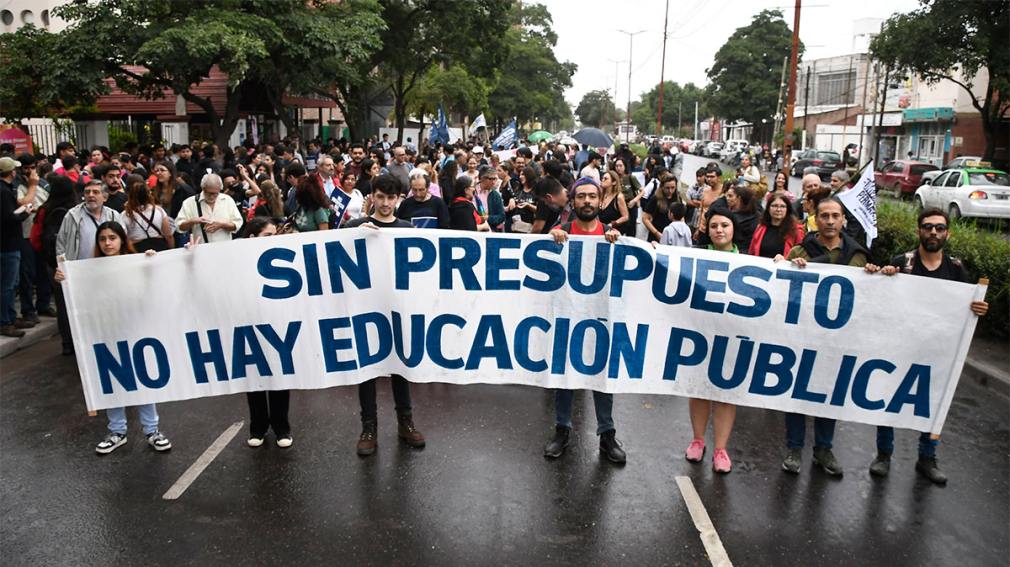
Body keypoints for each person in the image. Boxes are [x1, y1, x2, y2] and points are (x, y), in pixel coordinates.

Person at [862, 208, 989, 485]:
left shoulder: (956, 269)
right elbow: (882, 299)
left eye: (939, 228)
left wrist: (978, 308)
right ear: (919, 230)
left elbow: (965, 306)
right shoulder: (902, 262)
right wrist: (882, 276)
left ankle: (927, 458)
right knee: (890, 400)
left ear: (947, 234)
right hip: (900, 347)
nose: (933, 232)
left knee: (933, 403)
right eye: (928, 227)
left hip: (937, 351)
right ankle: (883, 455)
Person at [55, 221, 172, 454]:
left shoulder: (135, 262)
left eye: (112, 238)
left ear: (121, 240)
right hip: (105, 333)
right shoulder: (89, 271)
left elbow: (154, 288)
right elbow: (81, 297)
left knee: (141, 380)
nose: (107, 243)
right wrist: (65, 279)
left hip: (135, 331)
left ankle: (152, 430)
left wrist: (151, 265)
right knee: (112, 382)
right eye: (102, 239)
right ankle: (117, 431)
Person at [775, 196, 869, 477]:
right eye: (824, 216)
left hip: (838, 339)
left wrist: (879, 275)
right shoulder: (801, 251)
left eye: (835, 216)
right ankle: (794, 448)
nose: (829, 221)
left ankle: (824, 449)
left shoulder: (858, 255)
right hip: (802, 336)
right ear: (816, 219)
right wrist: (785, 265)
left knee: (829, 393)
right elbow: (781, 290)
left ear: (843, 220)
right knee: (797, 392)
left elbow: (868, 295)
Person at [341, 175, 426, 456]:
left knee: (400, 366)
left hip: (397, 308)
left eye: (391, 197)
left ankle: (406, 422)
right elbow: (332, 256)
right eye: (380, 197)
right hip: (365, 309)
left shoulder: (407, 229)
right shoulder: (355, 227)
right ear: (372, 197)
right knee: (367, 369)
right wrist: (353, 236)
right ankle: (369, 427)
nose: (386, 203)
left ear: (399, 199)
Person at [544, 177, 626, 464]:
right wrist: (552, 239)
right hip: (567, 317)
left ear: (600, 200)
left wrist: (622, 244)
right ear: (573, 201)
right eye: (581, 197)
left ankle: (607, 434)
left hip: (601, 318)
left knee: (601, 376)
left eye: (592, 196)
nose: (587, 201)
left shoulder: (611, 235)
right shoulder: (562, 232)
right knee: (565, 376)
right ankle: (562, 430)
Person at [685, 205, 740, 472]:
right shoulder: (694, 255)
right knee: (698, 391)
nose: (719, 230)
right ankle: (698, 440)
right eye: (714, 226)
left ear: (734, 229)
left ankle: (720, 449)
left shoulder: (750, 262)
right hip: (699, 335)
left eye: (724, 225)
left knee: (725, 393)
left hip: (732, 337)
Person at [239, 217, 293, 447]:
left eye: (274, 235)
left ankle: (282, 428)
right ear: (252, 237)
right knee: (255, 375)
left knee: (279, 374)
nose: (273, 239)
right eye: (267, 236)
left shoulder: (279, 256)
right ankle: (258, 427)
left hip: (277, 321)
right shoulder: (236, 258)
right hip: (250, 321)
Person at [55, 179, 125, 353]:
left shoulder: (114, 216)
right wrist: (64, 268)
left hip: (108, 274)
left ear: (105, 197)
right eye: (87, 192)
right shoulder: (72, 216)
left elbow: (124, 240)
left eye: (95, 192)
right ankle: (81, 348)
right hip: (81, 275)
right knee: (82, 313)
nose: (90, 196)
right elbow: (61, 245)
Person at [1, 157, 34, 337]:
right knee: (8, 285)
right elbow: (9, 218)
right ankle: (5, 321)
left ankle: (11, 317)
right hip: (8, 245)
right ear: (11, 172)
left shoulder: (6, 190)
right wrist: (25, 213)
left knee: (11, 284)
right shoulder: (4, 192)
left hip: (9, 244)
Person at [175, 173, 243, 244]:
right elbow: (179, 227)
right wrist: (192, 221)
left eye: (215, 193)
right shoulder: (190, 202)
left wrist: (222, 225)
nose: (212, 197)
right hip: (201, 248)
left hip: (224, 247)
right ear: (203, 188)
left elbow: (237, 224)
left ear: (220, 189)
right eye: (209, 193)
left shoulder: (227, 200)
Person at [122, 174, 174, 252]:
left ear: (130, 195)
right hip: (160, 248)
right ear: (148, 194)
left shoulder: (125, 214)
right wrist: (172, 250)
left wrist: (134, 253)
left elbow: (125, 240)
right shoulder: (159, 211)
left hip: (138, 249)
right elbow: (169, 236)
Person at [151, 162, 194, 247]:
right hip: (163, 230)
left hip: (179, 230)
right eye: (157, 171)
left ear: (170, 173)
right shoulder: (155, 190)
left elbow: (192, 205)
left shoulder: (182, 189)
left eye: (162, 170)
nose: (158, 173)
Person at [748, 193, 804, 258]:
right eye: (774, 206)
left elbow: (800, 257)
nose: (778, 209)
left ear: (787, 209)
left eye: (782, 206)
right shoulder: (760, 228)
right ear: (768, 208)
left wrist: (785, 259)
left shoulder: (796, 230)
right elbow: (751, 253)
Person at [642, 174, 680, 243]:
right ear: (662, 187)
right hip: (656, 235)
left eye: (673, 188)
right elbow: (645, 218)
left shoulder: (678, 198)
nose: (670, 191)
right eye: (667, 188)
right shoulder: (655, 199)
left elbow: (681, 218)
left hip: (672, 236)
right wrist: (656, 233)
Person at [612, 158, 643, 237]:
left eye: (620, 166)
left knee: (631, 231)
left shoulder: (631, 177)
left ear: (625, 166)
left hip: (631, 206)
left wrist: (634, 201)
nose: (618, 168)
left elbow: (642, 191)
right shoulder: (614, 179)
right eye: (616, 166)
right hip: (619, 208)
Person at [725, 184, 759, 250]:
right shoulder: (757, 216)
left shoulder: (732, 218)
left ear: (739, 198)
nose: (727, 198)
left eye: (730, 196)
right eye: (727, 196)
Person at [510, 166, 539, 233]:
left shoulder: (536, 191)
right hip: (517, 227)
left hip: (530, 228)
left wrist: (528, 205)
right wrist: (511, 200)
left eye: (523, 174)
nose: (520, 177)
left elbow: (540, 210)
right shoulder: (518, 190)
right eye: (520, 175)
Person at [478, 165, 507, 232]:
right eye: (491, 179)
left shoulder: (495, 195)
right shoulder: (472, 192)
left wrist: (488, 218)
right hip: (472, 230)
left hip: (490, 230)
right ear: (482, 178)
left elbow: (502, 216)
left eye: (495, 179)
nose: (494, 182)